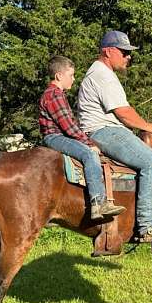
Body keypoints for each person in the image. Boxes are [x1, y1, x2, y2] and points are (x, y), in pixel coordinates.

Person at [77, 31, 152, 240]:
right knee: (151, 161)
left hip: (104, 128)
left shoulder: (101, 73)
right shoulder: (102, 75)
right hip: (104, 131)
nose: (128, 57)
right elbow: (123, 112)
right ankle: (148, 225)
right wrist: (148, 126)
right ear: (108, 51)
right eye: (124, 52)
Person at [39, 55, 125, 220]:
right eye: (70, 75)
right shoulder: (54, 95)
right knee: (89, 154)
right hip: (55, 137)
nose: (73, 79)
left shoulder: (55, 94)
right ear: (59, 76)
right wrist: (89, 143)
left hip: (57, 135)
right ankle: (98, 203)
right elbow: (69, 127)